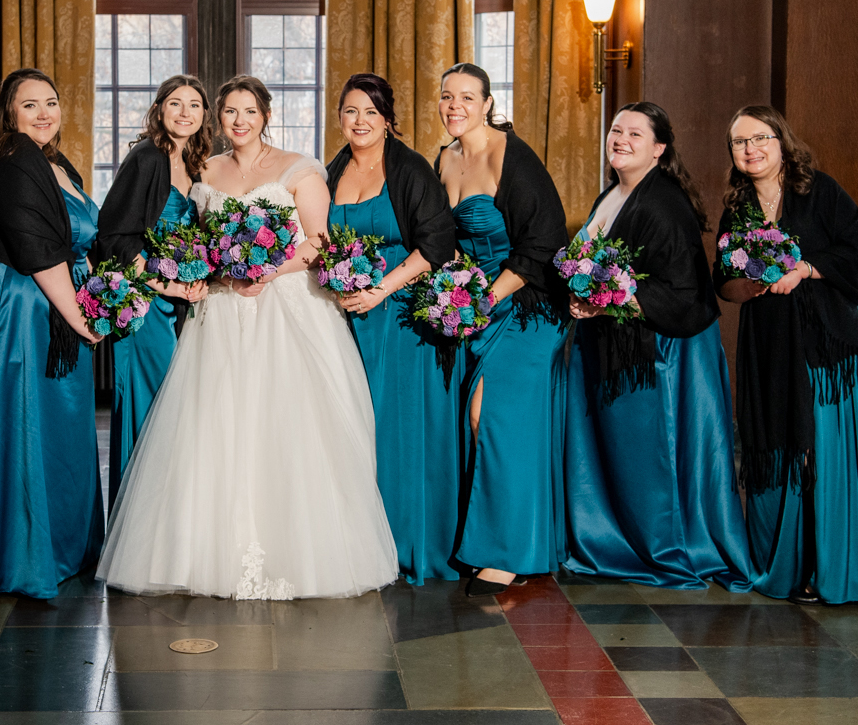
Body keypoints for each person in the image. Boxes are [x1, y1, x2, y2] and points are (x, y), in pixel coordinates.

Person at [97, 75, 397, 599]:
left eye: (249, 112)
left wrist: (264, 271)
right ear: (219, 119)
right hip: (221, 309)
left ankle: (299, 551)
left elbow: (317, 244)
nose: (240, 121)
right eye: (230, 112)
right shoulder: (204, 171)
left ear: (266, 116)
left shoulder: (300, 169)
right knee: (216, 424)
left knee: (286, 423)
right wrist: (221, 273)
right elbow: (195, 243)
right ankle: (205, 552)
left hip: (287, 307)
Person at [561, 101, 754, 591]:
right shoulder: (612, 194)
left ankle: (667, 546)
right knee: (624, 456)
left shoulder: (665, 203)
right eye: (616, 130)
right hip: (621, 343)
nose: (620, 140)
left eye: (635, 134)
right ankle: (620, 538)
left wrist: (606, 302)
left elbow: (683, 292)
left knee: (655, 458)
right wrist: (584, 296)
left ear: (659, 148)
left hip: (665, 355)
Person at [0, 68, 105, 599]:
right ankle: (22, 557)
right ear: (9, 114)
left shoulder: (55, 162)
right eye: (30, 105)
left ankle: (62, 546)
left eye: (50, 102)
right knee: (26, 429)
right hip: (24, 314)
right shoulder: (16, 160)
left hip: (50, 306)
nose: (44, 113)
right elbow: (38, 252)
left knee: (57, 431)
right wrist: (82, 319)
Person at [715, 105, 858, 605]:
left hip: (824, 341)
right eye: (740, 142)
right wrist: (748, 286)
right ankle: (779, 566)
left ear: (782, 141)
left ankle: (829, 570)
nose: (751, 149)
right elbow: (722, 281)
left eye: (760, 138)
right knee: (774, 441)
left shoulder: (819, 191)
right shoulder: (738, 207)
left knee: (820, 448)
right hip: (768, 338)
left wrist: (803, 269)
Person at [435, 64, 570, 596]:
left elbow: (545, 240)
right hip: (476, 304)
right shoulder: (444, 158)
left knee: (486, 414)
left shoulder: (511, 156)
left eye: (467, 97)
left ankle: (509, 552)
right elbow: (442, 239)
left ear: (488, 104)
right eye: (447, 97)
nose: (455, 106)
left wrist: (486, 299)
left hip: (527, 304)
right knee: (474, 419)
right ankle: (491, 537)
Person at [325, 73, 460, 584]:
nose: (360, 121)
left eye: (371, 112)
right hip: (347, 318)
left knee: (394, 430)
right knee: (352, 427)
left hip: (400, 319)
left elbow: (436, 244)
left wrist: (380, 290)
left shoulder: (409, 169)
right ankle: (361, 544)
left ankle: (406, 542)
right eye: (351, 111)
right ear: (340, 117)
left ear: (387, 120)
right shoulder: (332, 169)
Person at [93, 75, 212, 504]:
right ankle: (139, 515)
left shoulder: (196, 162)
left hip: (179, 306)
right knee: (152, 409)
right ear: (160, 109)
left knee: (178, 412)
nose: (185, 112)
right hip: (145, 308)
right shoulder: (145, 158)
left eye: (194, 104)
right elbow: (113, 239)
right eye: (175, 103)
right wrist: (170, 287)